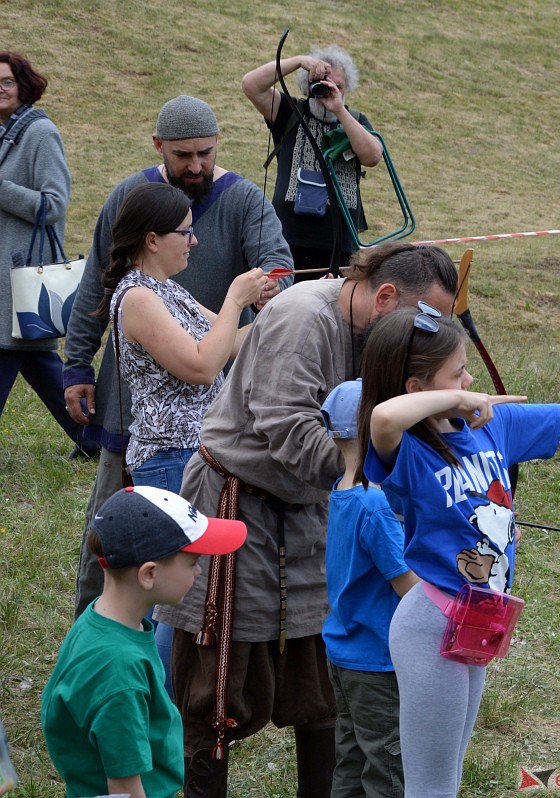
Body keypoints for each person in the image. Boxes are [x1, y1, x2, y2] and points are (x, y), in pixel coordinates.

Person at [155, 242, 458, 798]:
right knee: (215, 685)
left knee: (322, 680)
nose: (422, 335)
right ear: (385, 296)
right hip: (237, 508)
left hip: (311, 513)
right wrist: (384, 473)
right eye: (420, 318)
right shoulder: (303, 319)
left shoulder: (379, 334)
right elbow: (289, 429)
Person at [357, 305, 560, 798]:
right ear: (418, 389)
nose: (470, 379)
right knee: (430, 787)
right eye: (458, 373)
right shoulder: (407, 448)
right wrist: (459, 397)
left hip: (481, 618)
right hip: (431, 623)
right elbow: (383, 414)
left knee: (448, 771)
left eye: (468, 369)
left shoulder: (494, 428)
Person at [64, 94, 292, 621]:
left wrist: (273, 295)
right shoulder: (132, 211)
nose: (196, 165)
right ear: (158, 147)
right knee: (116, 529)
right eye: (183, 155)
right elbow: (96, 280)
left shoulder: (243, 201)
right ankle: (95, 631)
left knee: (189, 556)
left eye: (205, 153)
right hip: (144, 414)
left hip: (212, 412)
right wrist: (77, 363)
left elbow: (275, 269)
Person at [41, 486, 246, 798]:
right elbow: (124, 788)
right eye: (192, 563)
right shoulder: (119, 673)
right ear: (149, 574)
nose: (200, 570)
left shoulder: (100, 621)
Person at [97, 182, 270, 490]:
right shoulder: (138, 298)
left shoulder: (166, 289)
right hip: (170, 460)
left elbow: (231, 341)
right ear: (152, 240)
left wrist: (284, 308)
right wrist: (235, 299)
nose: (194, 240)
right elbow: (202, 367)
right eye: (186, 232)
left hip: (191, 455)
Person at [320, 379, 419, 798]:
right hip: (378, 663)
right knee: (389, 769)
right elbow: (408, 587)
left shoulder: (342, 492)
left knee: (352, 760)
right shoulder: (375, 504)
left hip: (344, 656)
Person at [0, 51, 90, 456]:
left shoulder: (39, 132)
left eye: (5, 81)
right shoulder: (3, 133)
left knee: (10, 349)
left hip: (19, 273)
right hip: (7, 275)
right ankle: (94, 438)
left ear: (23, 86)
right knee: (38, 360)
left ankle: (96, 438)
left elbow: (54, 203)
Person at [243, 44, 382, 280]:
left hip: (340, 245)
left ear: (347, 88)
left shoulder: (355, 120)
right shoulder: (289, 112)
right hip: (287, 239)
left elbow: (373, 156)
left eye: (338, 87)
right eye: (323, 85)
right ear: (308, 86)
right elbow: (251, 85)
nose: (330, 91)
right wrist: (299, 61)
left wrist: (339, 111)